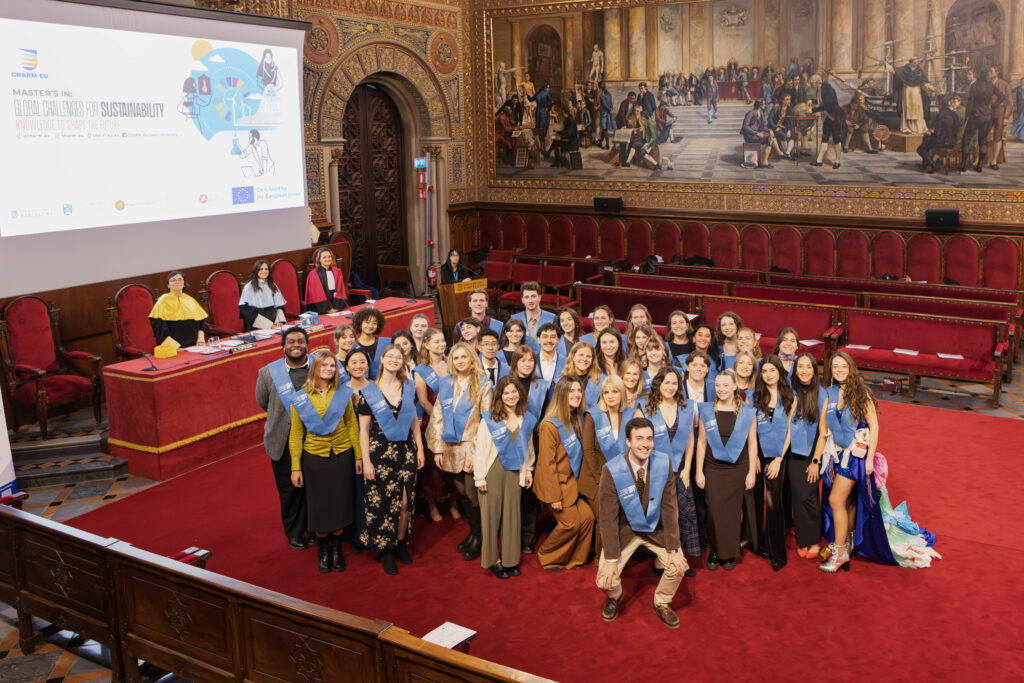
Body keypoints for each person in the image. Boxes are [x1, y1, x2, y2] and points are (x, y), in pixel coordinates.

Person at [595, 417, 688, 628]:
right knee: (604, 580)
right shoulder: (612, 470)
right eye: (639, 438)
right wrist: (611, 560)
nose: (645, 444)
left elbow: (670, 508)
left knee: (678, 566)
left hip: (655, 529)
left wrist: (675, 549)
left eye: (649, 438)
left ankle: (661, 602)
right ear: (628, 442)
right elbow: (608, 518)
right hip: (625, 530)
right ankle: (615, 596)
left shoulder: (664, 463)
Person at [814, 353, 892, 572]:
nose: (839, 370)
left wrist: (869, 459)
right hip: (836, 455)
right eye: (835, 366)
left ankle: (839, 553)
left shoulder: (861, 393)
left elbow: (874, 427)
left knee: (835, 500)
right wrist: (818, 457)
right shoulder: (829, 393)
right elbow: (823, 428)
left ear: (851, 368)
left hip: (855, 458)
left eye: (843, 366)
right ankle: (848, 543)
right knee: (848, 502)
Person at [288, 351, 362, 573]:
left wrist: (358, 455)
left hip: (342, 455)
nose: (329, 369)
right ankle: (323, 550)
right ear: (315, 368)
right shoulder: (301, 397)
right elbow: (296, 434)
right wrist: (295, 467)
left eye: (332, 365)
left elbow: (351, 424)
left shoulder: (342, 393)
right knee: (319, 507)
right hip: (315, 459)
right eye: (324, 365)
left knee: (340, 503)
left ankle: (337, 550)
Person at [358, 345, 424, 574]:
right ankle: (385, 549)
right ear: (382, 359)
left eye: (399, 357)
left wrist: (420, 448)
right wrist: (366, 460)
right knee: (382, 502)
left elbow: (414, 421)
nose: (395, 360)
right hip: (379, 454)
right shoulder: (369, 392)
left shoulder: (408, 387)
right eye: (391, 356)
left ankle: (400, 542)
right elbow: (363, 430)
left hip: (406, 451)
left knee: (405, 502)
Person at [427, 342, 492, 562]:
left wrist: (479, 454)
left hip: (472, 447)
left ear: (472, 359)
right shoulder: (446, 384)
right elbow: (437, 417)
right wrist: (437, 449)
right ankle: (473, 533)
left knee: (473, 494)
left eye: (464, 357)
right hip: (451, 448)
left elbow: (487, 421)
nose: (460, 361)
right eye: (456, 358)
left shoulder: (483, 384)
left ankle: (481, 537)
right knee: (462, 493)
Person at [695, 370, 758, 571]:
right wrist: (699, 471)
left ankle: (729, 552)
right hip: (713, 467)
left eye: (725, 385)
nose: (721, 389)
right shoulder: (707, 410)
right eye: (717, 385)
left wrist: (751, 472)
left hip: (738, 467)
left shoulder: (747, 412)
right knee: (713, 510)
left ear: (734, 387)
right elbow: (701, 443)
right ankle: (715, 550)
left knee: (732, 511)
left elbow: (752, 443)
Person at [475, 376, 537, 579]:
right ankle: (493, 560)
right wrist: (479, 478)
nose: (511, 396)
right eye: (506, 392)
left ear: (520, 393)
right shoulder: (490, 418)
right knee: (491, 518)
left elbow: (528, 448)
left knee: (512, 517)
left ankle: (511, 560)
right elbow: (480, 449)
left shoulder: (526, 418)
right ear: (500, 396)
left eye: (514, 392)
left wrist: (528, 471)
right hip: (492, 471)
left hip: (514, 472)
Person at [637, 368, 700, 568]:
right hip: (654, 470)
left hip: (680, 469)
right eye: (666, 382)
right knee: (661, 516)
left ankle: (678, 557)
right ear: (658, 384)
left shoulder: (686, 407)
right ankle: (660, 560)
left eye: (674, 383)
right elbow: (637, 443)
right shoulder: (646, 407)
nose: (671, 387)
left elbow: (690, 439)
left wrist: (687, 468)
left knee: (681, 514)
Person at [255, 327, 311, 550]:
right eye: (291, 342)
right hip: (283, 438)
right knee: (290, 490)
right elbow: (263, 402)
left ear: (307, 344)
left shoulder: (318, 366)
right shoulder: (268, 373)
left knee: (313, 486)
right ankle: (294, 532)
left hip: (314, 436)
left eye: (301, 341)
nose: (296, 345)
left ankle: (314, 527)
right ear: (283, 346)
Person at [533, 376, 595, 570]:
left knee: (588, 518)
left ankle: (577, 559)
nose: (576, 395)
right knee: (571, 524)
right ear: (561, 394)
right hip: (557, 485)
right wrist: (554, 497)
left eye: (579, 390)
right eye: (571, 391)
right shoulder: (550, 426)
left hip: (573, 483)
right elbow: (547, 464)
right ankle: (547, 556)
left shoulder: (579, 418)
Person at [580, 375, 631, 558]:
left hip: (621, 477)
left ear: (621, 393)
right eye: (606, 392)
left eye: (614, 391)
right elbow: (588, 450)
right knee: (605, 518)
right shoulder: (593, 416)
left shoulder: (629, 415)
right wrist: (602, 479)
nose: (610, 396)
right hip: (596, 479)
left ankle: (616, 557)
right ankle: (601, 562)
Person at [751, 355, 795, 569]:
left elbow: (790, 431)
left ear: (779, 372)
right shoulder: (754, 396)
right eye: (765, 371)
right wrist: (754, 458)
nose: (768, 375)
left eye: (772, 370)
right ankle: (759, 544)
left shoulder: (789, 396)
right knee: (756, 498)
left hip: (779, 454)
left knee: (773, 502)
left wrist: (779, 459)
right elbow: (750, 430)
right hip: (757, 453)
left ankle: (776, 553)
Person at [414, 329, 460, 526]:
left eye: (443, 340)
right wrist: (441, 419)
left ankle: (454, 504)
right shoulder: (421, 370)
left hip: (456, 420)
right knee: (433, 468)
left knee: (453, 464)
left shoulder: (452, 361)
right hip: (432, 422)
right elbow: (423, 401)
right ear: (426, 344)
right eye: (437, 341)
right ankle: (433, 506)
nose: (441, 344)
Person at [789, 352, 824, 559]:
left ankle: (814, 539)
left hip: (814, 452)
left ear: (814, 370)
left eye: (808, 367)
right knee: (799, 496)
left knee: (809, 496)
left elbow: (824, 432)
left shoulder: (822, 394)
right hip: (793, 452)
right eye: (800, 367)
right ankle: (803, 539)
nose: (804, 371)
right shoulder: (790, 391)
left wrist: (816, 461)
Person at [149, 271, 207, 348]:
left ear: (184, 284)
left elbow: (201, 322)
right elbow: (159, 328)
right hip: (174, 347)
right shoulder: (162, 301)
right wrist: (173, 347)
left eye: (180, 279)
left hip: (195, 345)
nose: (177, 282)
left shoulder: (190, 299)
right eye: (173, 280)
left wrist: (200, 340)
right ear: (168, 285)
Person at [962, 66, 1003, 173]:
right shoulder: (991, 85)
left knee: (966, 140)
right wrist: (993, 107)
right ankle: (980, 165)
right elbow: (1002, 97)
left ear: (979, 74)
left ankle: (963, 165)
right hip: (986, 116)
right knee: (983, 141)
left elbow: (970, 102)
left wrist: (966, 116)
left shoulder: (974, 85)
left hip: (974, 116)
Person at [238, 260, 286, 330]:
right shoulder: (249, 287)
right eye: (261, 269)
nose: (264, 271)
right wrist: (269, 325)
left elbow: (279, 306)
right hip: (257, 325)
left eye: (266, 269)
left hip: (275, 323)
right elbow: (247, 312)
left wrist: (279, 322)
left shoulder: (272, 285)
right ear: (256, 271)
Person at [811, 74, 846, 169]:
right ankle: (819, 161)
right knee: (824, 138)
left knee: (836, 139)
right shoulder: (820, 88)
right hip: (827, 117)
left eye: (812, 83)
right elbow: (821, 101)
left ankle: (837, 161)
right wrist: (812, 101)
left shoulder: (827, 89)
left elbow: (828, 105)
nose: (811, 85)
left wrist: (813, 110)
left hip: (835, 117)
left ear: (816, 82)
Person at [918, 95, 960, 173]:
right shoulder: (953, 113)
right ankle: (925, 164)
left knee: (921, 148)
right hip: (953, 141)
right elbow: (956, 129)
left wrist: (930, 132)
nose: (935, 102)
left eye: (936, 101)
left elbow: (937, 133)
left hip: (943, 142)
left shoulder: (941, 114)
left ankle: (932, 164)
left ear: (940, 103)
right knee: (926, 139)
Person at [889, 57, 931, 135]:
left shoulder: (919, 70)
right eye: (915, 62)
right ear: (910, 62)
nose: (917, 63)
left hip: (917, 92)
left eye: (917, 62)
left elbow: (923, 82)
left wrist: (930, 87)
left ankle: (919, 128)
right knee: (907, 110)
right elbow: (895, 71)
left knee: (918, 110)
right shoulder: (904, 70)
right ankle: (907, 127)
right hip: (907, 91)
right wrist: (888, 66)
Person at [510, 281, 555, 347]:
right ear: (522, 300)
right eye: (527, 297)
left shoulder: (552, 319)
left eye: (533, 296)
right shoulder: (513, 319)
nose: (530, 300)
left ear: (539, 297)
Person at [304, 248, 347, 314]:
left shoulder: (337, 271)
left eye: (329, 257)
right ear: (319, 260)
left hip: (336, 306)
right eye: (324, 257)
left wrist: (335, 307)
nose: (327, 259)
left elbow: (340, 288)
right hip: (321, 309)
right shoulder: (313, 274)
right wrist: (328, 309)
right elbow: (317, 294)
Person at [352, 307, 391, 379]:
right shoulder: (352, 347)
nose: (370, 326)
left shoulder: (386, 343)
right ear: (360, 323)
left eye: (374, 323)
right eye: (367, 322)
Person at [988, 66, 1012, 170]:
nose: (989, 73)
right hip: (988, 112)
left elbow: (1010, 102)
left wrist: (1006, 116)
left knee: (997, 136)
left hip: (1000, 113)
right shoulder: (986, 84)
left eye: (991, 71)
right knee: (983, 134)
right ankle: (981, 160)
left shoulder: (1004, 84)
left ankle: (994, 161)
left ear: (997, 72)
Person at [740, 98, 775, 169]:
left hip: (755, 135)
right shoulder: (751, 113)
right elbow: (745, 127)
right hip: (749, 136)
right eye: (764, 104)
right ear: (760, 105)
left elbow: (762, 127)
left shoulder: (760, 113)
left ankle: (766, 161)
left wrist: (769, 130)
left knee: (771, 137)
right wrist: (756, 133)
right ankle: (767, 161)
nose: (765, 105)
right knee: (770, 138)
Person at [1011, 77, 1024, 141]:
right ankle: (1020, 135)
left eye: (1023, 81)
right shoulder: (1018, 88)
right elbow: (1011, 91)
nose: (1023, 82)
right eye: (1022, 81)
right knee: (1020, 121)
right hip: (1020, 107)